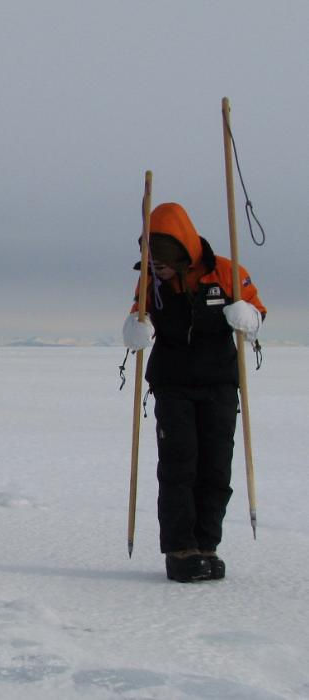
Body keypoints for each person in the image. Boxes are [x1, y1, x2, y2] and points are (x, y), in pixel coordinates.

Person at [122, 202, 266, 583]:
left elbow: (257, 313)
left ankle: (206, 546)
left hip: (219, 384)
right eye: (152, 266)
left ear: (181, 255)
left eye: (162, 265)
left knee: (216, 468)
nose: (157, 272)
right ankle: (180, 549)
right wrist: (137, 329)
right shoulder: (152, 282)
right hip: (172, 386)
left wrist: (247, 317)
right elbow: (140, 313)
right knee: (179, 466)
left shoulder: (227, 273)